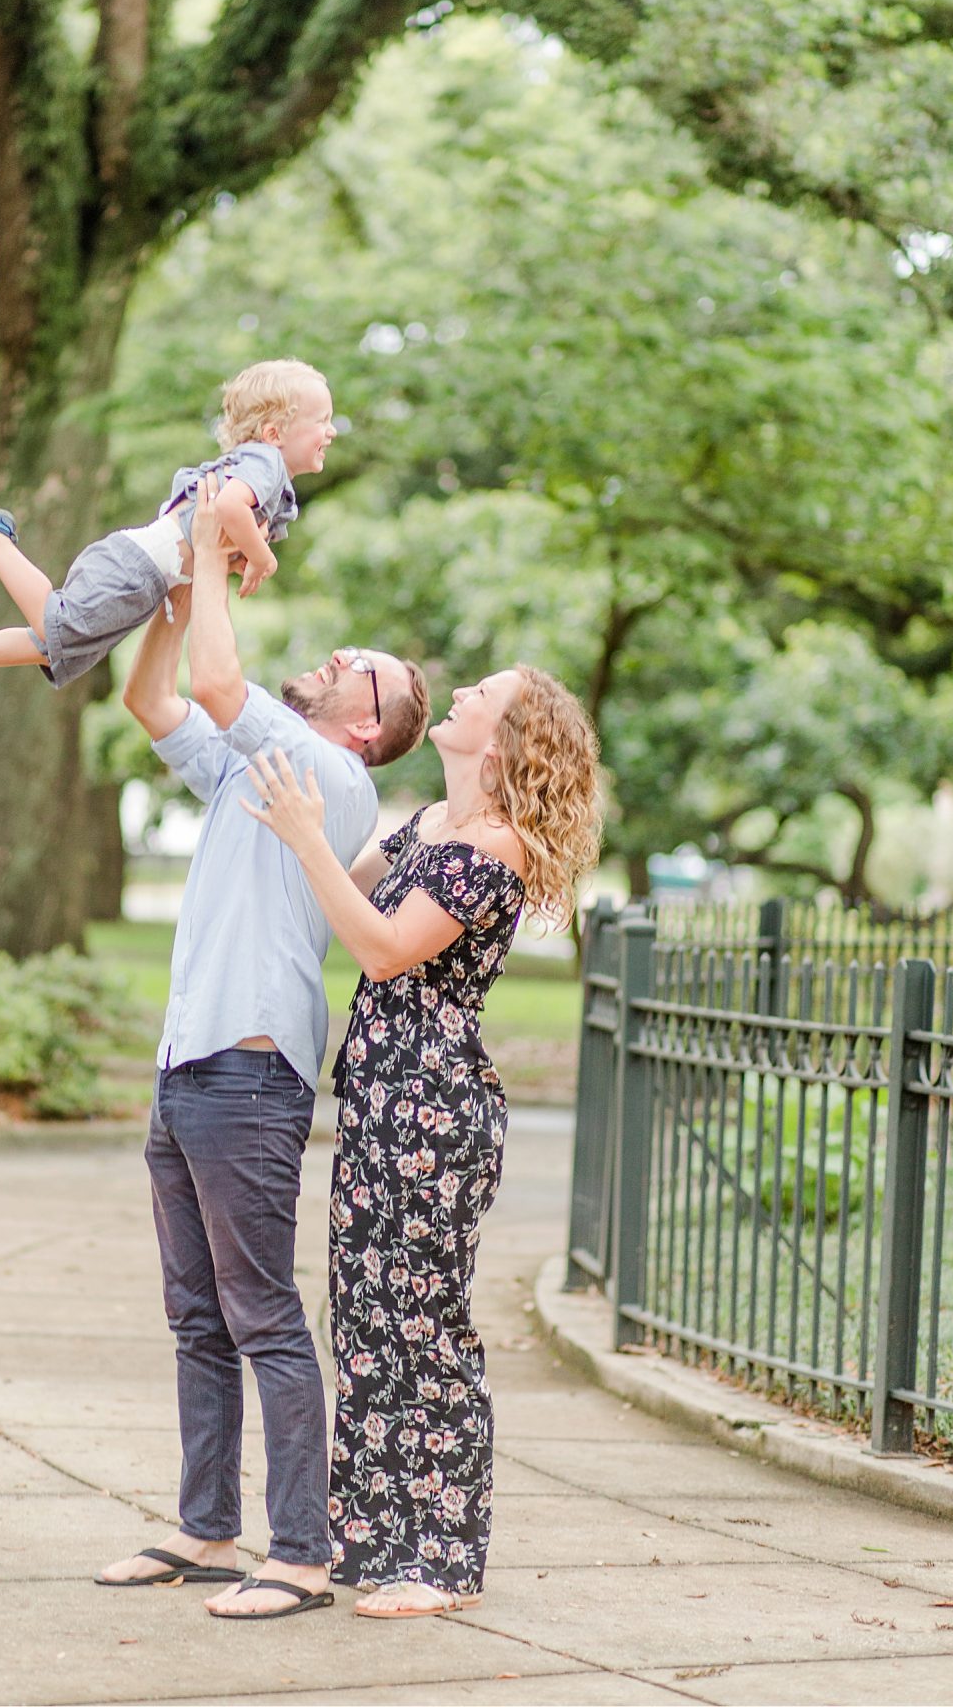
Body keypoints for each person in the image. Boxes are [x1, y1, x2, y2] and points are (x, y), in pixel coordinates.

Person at [96, 475, 431, 1620]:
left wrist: (203, 534)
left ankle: (300, 1549)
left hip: (246, 1068)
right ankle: (204, 1526)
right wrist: (184, 590)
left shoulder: (325, 775)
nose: (339, 653)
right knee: (197, 1314)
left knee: (262, 1315)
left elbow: (217, 683)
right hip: (188, 1060)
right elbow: (153, 696)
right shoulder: (256, 765)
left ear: (366, 727)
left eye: (361, 665)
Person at [239, 664, 602, 1618]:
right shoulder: (425, 827)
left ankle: (441, 1558)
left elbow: (386, 946)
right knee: (361, 1319)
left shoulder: (497, 848)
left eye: (483, 692)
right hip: (377, 1098)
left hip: (435, 1109)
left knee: (424, 1325)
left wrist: (311, 838)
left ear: (510, 736)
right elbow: (334, 905)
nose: (462, 695)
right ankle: (370, 1533)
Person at [0, 358, 335, 692]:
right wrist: (262, 558)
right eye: (323, 421)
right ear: (275, 433)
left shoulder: (268, 474)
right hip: (138, 568)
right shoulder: (266, 463)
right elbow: (231, 509)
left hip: (148, 577)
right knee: (58, 623)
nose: (332, 432)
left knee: (52, 644)